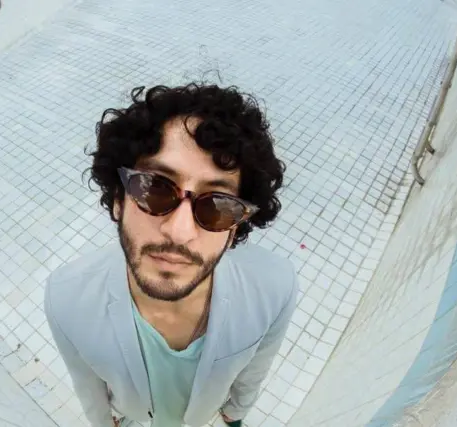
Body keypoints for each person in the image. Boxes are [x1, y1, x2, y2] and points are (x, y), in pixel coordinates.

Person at [44, 83, 299, 427]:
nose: (179, 232)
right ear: (118, 199)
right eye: (154, 188)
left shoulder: (275, 287)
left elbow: (256, 368)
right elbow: (87, 388)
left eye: (219, 206)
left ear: (235, 228)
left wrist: (236, 413)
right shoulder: (66, 299)